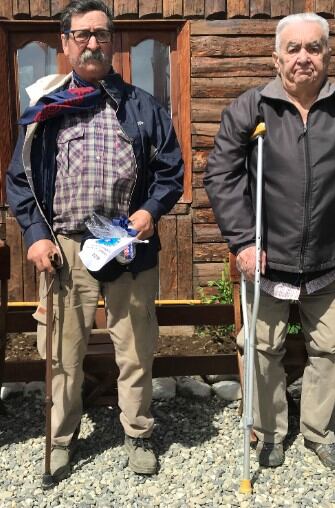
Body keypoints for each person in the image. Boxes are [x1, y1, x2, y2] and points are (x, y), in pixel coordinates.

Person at [6, 0, 184, 481]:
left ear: (113, 41)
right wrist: (36, 235)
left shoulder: (143, 106)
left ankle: (139, 433)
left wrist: (149, 212)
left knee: (136, 346)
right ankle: (61, 439)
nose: (92, 43)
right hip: (64, 250)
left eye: (101, 34)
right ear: (65, 43)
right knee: (62, 353)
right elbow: (19, 180)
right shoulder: (46, 109)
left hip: (130, 245)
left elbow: (171, 171)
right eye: (81, 34)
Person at [204, 12, 335, 470]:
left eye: (314, 48)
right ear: (276, 57)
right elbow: (221, 176)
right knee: (261, 349)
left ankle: (318, 432)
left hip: (331, 258)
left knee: (330, 349)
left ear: (327, 55)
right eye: (294, 49)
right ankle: (268, 432)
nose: (303, 57)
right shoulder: (251, 109)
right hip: (268, 259)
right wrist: (245, 242)